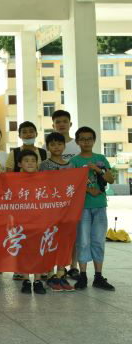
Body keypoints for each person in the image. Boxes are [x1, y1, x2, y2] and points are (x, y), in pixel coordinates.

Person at [71, 126, 115, 291]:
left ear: (94, 140)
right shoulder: (74, 161)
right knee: (83, 241)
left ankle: (98, 276)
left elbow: (110, 179)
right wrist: (89, 190)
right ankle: (82, 275)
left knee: (98, 240)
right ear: (77, 142)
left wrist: (97, 169)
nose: (86, 142)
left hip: (100, 206)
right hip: (82, 207)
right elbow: (72, 185)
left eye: (89, 138)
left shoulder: (100, 158)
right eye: (82, 139)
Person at [40, 132, 75, 292]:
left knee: (63, 242)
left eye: (59, 144)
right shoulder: (44, 165)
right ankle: (50, 274)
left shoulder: (71, 165)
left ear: (64, 146)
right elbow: (41, 185)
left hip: (65, 210)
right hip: (49, 211)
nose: (56, 147)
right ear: (47, 147)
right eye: (52, 144)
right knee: (50, 240)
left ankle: (61, 274)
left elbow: (74, 186)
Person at [50, 110, 81, 279]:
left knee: (73, 233)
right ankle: (54, 266)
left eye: (64, 121)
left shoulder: (77, 145)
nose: (61, 124)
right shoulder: (47, 146)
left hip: (73, 197)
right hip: (53, 199)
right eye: (58, 122)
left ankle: (73, 266)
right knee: (55, 233)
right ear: (53, 125)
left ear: (70, 124)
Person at [17, 149, 47, 295]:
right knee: (24, 251)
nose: (30, 163)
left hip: (38, 221)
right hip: (22, 222)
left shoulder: (43, 179)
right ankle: (26, 280)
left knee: (38, 250)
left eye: (33, 161)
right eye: (26, 160)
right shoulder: (14, 179)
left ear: (37, 164)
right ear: (19, 164)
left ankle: (38, 280)